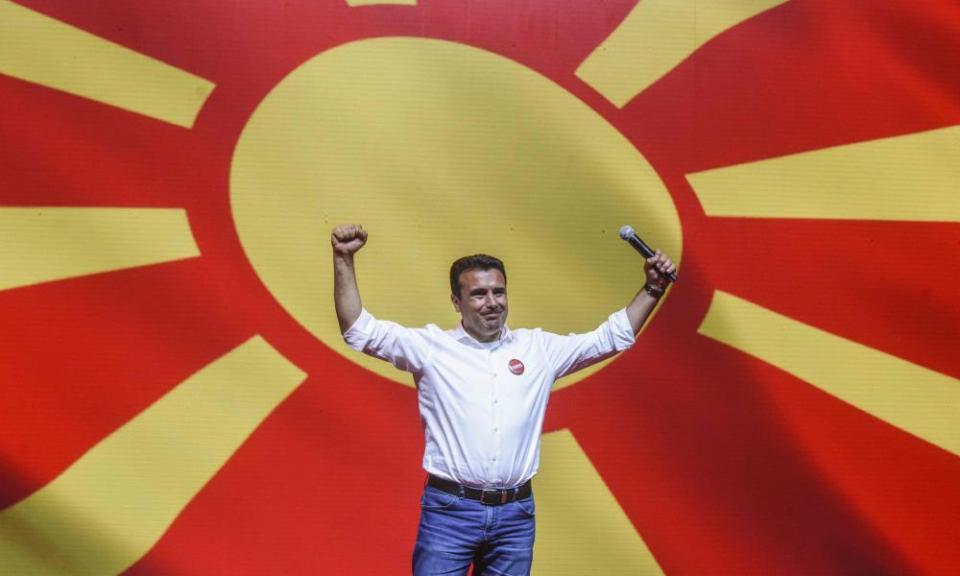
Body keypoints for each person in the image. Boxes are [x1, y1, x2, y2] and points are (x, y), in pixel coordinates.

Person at [331, 223, 676, 576]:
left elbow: (611, 337)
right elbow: (358, 330)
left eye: (499, 291)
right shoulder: (431, 348)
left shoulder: (539, 349)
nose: (492, 302)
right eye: (479, 294)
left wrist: (653, 287)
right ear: (456, 302)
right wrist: (343, 258)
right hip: (451, 511)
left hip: (516, 514)